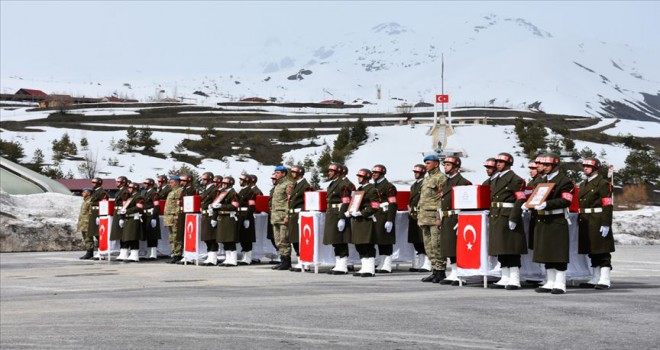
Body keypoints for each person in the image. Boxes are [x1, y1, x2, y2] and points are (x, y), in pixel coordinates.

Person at [524, 152, 574, 294]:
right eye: (543, 165)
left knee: (558, 252)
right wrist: (528, 204)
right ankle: (550, 281)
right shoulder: (543, 180)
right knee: (546, 252)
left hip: (556, 219)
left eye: (547, 165)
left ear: (555, 165)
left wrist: (547, 204)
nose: (544, 167)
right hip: (543, 219)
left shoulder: (565, 181)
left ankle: (560, 282)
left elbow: (566, 200)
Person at [487, 153, 527, 290]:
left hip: (507, 214)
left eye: (501, 162)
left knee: (511, 248)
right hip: (496, 214)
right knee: (500, 247)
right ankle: (505, 276)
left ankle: (514, 278)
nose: (497, 164)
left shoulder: (515, 179)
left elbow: (520, 199)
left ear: (509, 163)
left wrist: (514, 217)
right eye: (497, 161)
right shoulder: (495, 179)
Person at [577, 157, 615, 290]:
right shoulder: (583, 184)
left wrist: (606, 223)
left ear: (595, 168)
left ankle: (605, 279)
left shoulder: (603, 183)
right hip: (586, 219)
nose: (585, 168)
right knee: (592, 250)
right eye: (584, 166)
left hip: (598, 219)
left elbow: (607, 205)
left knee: (602, 250)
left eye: (588, 166)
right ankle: (595, 277)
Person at [438, 156, 472, 285]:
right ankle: (454, 271)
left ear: (456, 167)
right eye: (445, 164)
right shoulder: (445, 182)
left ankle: (460, 272)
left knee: (458, 247)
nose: (445, 167)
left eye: (448, 164)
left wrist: (463, 219)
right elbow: (441, 202)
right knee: (449, 247)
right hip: (446, 217)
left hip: (457, 217)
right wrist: (439, 217)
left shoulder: (463, 182)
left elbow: (468, 203)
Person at [418, 155, 448, 283]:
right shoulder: (426, 179)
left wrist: (439, 216)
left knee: (437, 244)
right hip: (424, 217)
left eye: (428, 163)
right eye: (425, 163)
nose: (426, 165)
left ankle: (441, 271)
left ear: (436, 164)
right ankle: (434, 270)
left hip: (434, 216)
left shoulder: (441, 178)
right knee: (428, 246)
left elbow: (443, 198)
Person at [323, 163, 354, 275]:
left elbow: (346, 202)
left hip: (338, 213)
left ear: (337, 172)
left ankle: (343, 265)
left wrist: (342, 217)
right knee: (335, 241)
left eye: (331, 171)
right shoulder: (334, 183)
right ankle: (339, 263)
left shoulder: (344, 184)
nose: (329, 173)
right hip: (332, 213)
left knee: (341, 240)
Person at [350, 168, 380, 277]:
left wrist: (362, 213)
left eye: (360, 176)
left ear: (366, 177)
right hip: (358, 220)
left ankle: (370, 269)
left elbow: (375, 206)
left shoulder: (372, 189)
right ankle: (364, 267)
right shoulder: (360, 189)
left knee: (368, 245)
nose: (358, 178)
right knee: (359, 245)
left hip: (366, 220)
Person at [371, 164, 398, 274]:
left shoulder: (389, 186)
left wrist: (390, 219)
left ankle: (387, 264)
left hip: (385, 214)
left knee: (386, 240)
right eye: (373, 173)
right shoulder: (374, 186)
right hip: (376, 215)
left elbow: (393, 204)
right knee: (379, 240)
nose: (374, 175)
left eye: (376, 173)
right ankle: (382, 262)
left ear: (382, 174)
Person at [287, 166, 314, 272]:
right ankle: (300, 261)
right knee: (295, 239)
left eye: (294, 172)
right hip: (293, 215)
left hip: (301, 214)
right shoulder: (295, 185)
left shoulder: (306, 186)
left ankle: (306, 263)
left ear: (300, 173)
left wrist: (304, 214)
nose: (292, 173)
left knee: (302, 239)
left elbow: (308, 201)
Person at [212, 176, 241, 266]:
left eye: (225, 183)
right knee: (224, 240)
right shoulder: (222, 193)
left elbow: (234, 206)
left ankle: (233, 260)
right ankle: (228, 259)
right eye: (223, 183)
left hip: (229, 218)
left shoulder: (233, 193)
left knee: (230, 240)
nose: (223, 185)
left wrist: (222, 206)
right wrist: (214, 217)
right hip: (222, 217)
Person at [270, 166, 294, 270]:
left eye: (278, 173)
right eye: (275, 173)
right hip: (275, 216)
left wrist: (287, 215)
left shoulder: (288, 184)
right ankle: (282, 260)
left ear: (284, 174)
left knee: (284, 239)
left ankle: (287, 262)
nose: (275, 174)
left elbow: (290, 201)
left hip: (283, 216)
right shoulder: (277, 185)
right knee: (278, 240)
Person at [408, 164, 430, 272]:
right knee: (416, 240)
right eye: (415, 172)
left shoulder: (425, 183)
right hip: (413, 214)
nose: (415, 174)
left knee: (423, 239)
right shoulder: (414, 185)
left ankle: (427, 263)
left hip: (422, 214)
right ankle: (420, 261)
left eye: (417, 172)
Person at [236, 174, 261, 265]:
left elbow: (251, 206)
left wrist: (247, 218)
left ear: (246, 181)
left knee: (247, 238)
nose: (239, 181)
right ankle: (245, 257)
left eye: (241, 180)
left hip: (246, 215)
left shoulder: (250, 192)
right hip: (241, 215)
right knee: (242, 237)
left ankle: (248, 258)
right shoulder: (242, 191)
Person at [118, 182, 144, 263]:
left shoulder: (138, 197)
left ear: (135, 188)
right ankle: (126, 253)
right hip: (128, 219)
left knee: (133, 237)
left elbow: (139, 207)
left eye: (130, 187)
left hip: (134, 218)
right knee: (127, 237)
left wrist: (127, 211)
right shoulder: (130, 197)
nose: (128, 189)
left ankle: (134, 254)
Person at [199, 172, 219, 266]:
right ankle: (209, 256)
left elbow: (215, 204)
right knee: (207, 237)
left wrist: (214, 218)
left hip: (210, 215)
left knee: (211, 238)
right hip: (205, 215)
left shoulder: (214, 190)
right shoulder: (206, 189)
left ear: (210, 179)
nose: (202, 181)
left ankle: (213, 258)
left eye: (204, 179)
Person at [163, 176, 183, 264]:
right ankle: (174, 253)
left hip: (174, 217)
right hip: (169, 217)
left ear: (177, 182)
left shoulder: (179, 191)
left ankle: (178, 254)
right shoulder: (172, 192)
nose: (170, 184)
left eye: (172, 182)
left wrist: (177, 216)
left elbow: (178, 205)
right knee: (171, 237)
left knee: (176, 236)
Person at [87, 178, 108, 260]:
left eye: (94, 182)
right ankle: (99, 251)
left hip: (98, 213)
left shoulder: (102, 192)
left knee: (99, 234)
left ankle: (101, 252)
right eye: (92, 182)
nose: (92, 183)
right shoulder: (95, 192)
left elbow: (104, 204)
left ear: (99, 183)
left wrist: (100, 216)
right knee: (95, 234)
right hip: (93, 213)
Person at [140, 178, 161, 260]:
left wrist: (154, 217)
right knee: (148, 234)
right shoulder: (145, 193)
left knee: (153, 235)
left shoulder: (154, 194)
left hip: (151, 215)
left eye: (145, 183)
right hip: (146, 215)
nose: (144, 185)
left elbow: (157, 206)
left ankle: (153, 253)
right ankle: (149, 252)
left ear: (150, 184)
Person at [110, 176, 129, 260]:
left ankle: (124, 251)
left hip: (121, 213)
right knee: (119, 233)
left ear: (123, 182)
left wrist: (122, 217)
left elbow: (125, 205)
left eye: (118, 181)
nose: (116, 183)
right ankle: (122, 251)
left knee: (123, 233)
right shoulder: (120, 191)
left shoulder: (125, 191)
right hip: (117, 212)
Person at [526, 159, 542, 250]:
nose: (530, 171)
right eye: (530, 168)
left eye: (533, 168)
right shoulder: (531, 183)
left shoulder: (541, 181)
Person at [77, 187, 94, 259]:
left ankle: (90, 252)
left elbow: (90, 213)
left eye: (84, 192)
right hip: (83, 223)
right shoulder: (84, 201)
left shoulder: (90, 202)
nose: (82, 193)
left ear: (89, 193)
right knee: (85, 238)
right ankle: (88, 251)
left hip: (87, 223)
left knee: (88, 238)